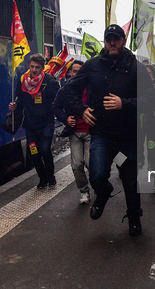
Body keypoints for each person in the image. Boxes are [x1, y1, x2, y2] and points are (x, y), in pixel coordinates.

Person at [63, 24, 153, 236]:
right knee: (97, 174)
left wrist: (125, 103)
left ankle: (134, 217)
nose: (112, 42)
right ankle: (103, 194)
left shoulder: (135, 67)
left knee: (130, 180)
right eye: (109, 39)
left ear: (123, 40)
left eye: (116, 39)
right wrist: (81, 109)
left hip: (127, 138)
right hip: (101, 135)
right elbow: (70, 90)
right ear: (105, 42)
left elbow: (151, 100)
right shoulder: (93, 65)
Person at [8, 53, 60, 190]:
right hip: (31, 125)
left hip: (46, 124)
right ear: (29, 66)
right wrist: (15, 106)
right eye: (32, 67)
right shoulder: (23, 81)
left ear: (43, 68)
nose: (34, 70)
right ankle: (42, 178)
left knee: (44, 150)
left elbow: (58, 102)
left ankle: (51, 176)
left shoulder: (51, 82)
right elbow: (19, 99)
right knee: (34, 153)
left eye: (37, 67)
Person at [52, 60, 91, 205]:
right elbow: (55, 107)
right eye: (74, 71)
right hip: (74, 132)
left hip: (91, 131)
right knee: (76, 165)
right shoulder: (65, 90)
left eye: (79, 71)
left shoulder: (92, 89)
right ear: (69, 73)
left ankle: (100, 187)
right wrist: (66, 119)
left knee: (91, 163)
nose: (76, 74)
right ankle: (84, 191)